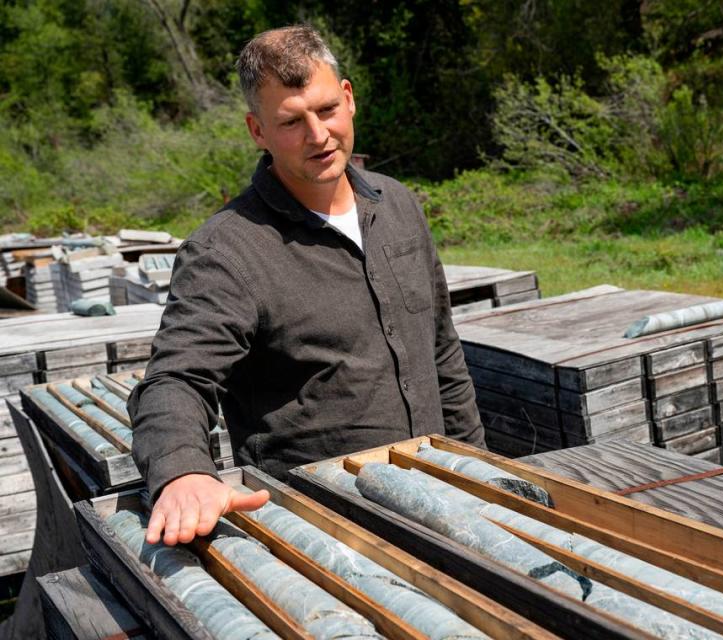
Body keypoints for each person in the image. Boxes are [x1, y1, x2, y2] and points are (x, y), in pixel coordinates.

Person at [128, 25, 484, 547]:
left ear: (349, 98)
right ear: (257, 130)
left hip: (442, 502)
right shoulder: (227, 252)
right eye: (291, 122)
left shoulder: (398, 206)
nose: (318, 136)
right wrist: (183, 472)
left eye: (326, 111)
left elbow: (441, 351)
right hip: (325, 535)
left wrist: (477, 466)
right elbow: (176, 379)